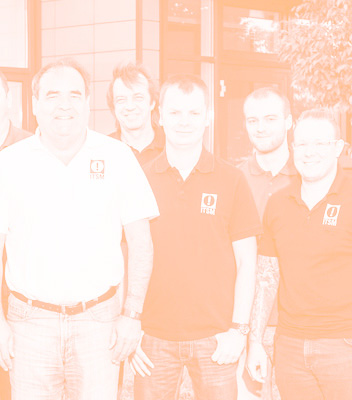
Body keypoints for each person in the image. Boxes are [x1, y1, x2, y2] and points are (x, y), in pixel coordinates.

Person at [0, 58, 159, 399]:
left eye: (74, 95)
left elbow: (141, 245)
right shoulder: (9, 163)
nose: (64, 105)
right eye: (53, 95)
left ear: (87, 102)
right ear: (35, 104)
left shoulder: (118, 157)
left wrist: (132, 314)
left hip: (100, 323)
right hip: (29, 324)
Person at [248, 109, 352, 399]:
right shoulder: (278, 204)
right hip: (291, 347)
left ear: (338, 148)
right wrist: (255, 342)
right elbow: (267, 278)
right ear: (293, 149)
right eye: (303, 144)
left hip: (350, 347)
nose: (310, 152)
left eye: (320, 143)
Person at [130, 74, 259, 399]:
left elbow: (247, 262)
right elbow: (125, 256)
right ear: (160, 116)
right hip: (153, 337)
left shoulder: (232, 180)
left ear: (207, 117)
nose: (184, 121)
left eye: (193, 113)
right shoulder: (139, 180)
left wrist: (239, 330)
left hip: (217, 338)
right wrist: (130, 324)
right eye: (175, 112)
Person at [237, 86, 295, 400]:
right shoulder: (233, 180)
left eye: (270, 119)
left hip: (297, 323)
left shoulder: (310, 175)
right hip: (246, 322)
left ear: (289, 121)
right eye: (253, 120)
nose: (260, 127)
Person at [106, 62, 165, 165]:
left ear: (152, 102)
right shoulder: (102, 150)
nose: (130, 107)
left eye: (138, 98)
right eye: (121, 100)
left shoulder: (172, 146)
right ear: (114, 107)